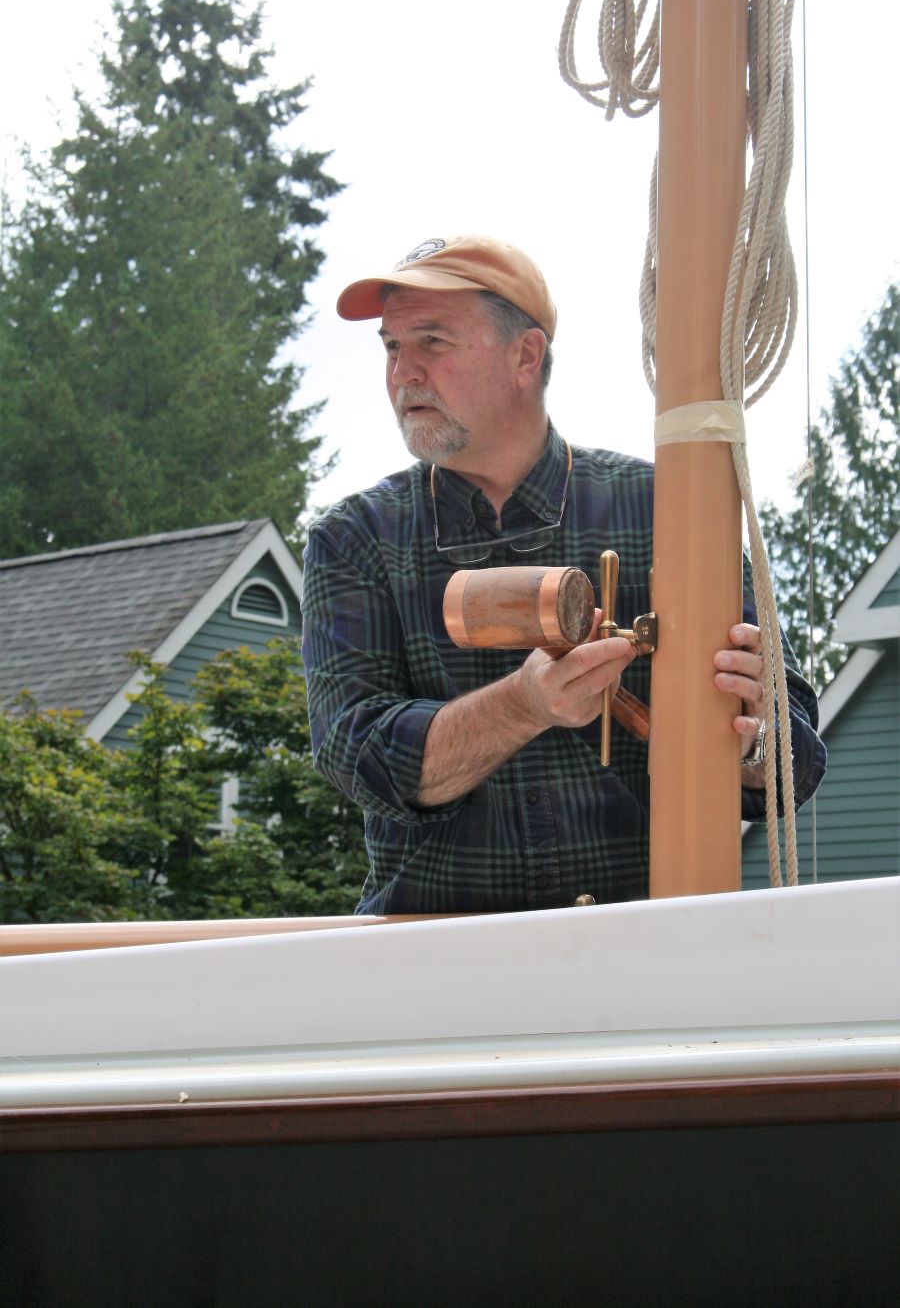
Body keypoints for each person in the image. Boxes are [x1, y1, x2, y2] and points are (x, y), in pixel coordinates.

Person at [301, 235, 825, 913]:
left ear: (526, 355)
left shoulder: (672, 506)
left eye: (431, 342)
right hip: (436, 956)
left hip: (648, 950)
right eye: (392, 347)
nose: (403, 373)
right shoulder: (354, 538)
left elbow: (796, 764)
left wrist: (753, 740)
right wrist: (523, 705)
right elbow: (358, 758)